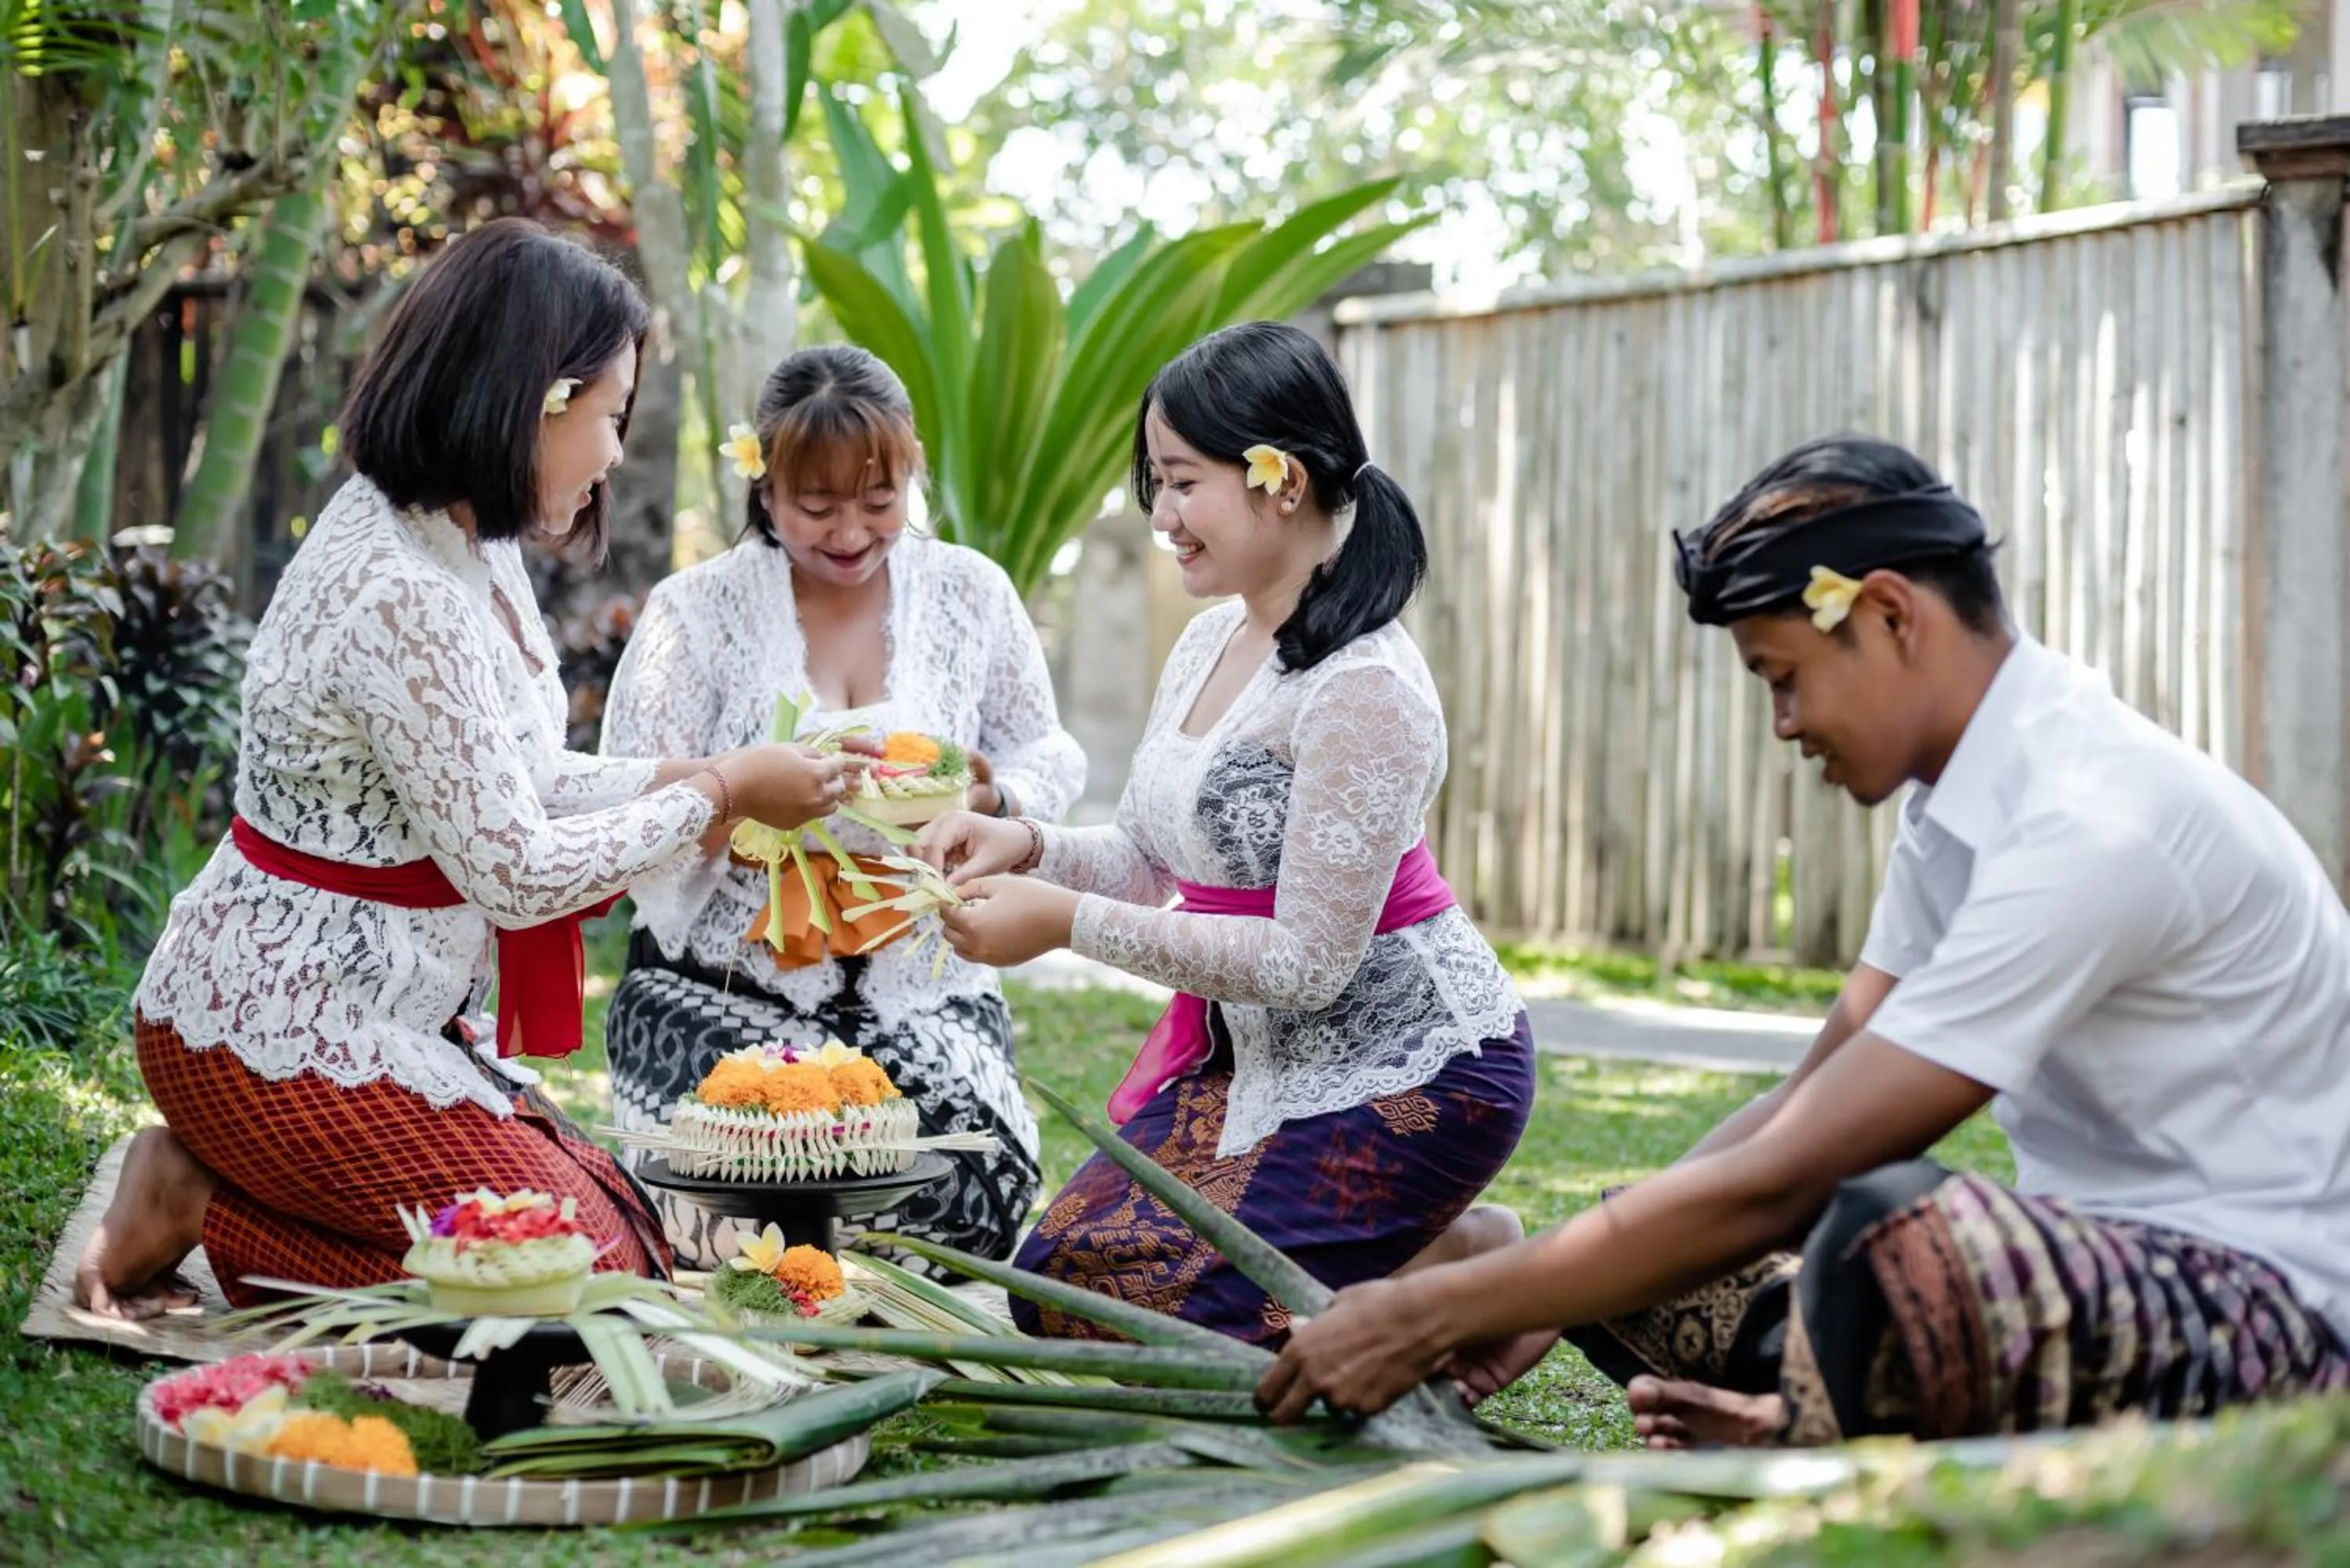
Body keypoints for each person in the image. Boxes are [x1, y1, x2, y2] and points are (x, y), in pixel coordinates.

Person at [1256, 434, 2350, 1443]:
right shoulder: (1956, 806)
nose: (1784, 725)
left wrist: (1435, 1305)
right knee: (1648, 1246)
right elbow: (1807, 1099)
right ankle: (1814, 1417)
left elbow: (1806, 1172)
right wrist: (1543, 1287)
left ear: (1887, 613)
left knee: (1895, 1234)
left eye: (1784, 677)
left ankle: (1810, 1432)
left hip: (2281, 1319)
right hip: (2095, 1280)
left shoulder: (2096, 818)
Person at [73, 219, 868, 1321]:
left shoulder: (468, 541)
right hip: (269, 1027)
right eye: (611, 416)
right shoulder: (395, 586)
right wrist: (722, 792)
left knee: (622, 1232)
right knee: (573, 1286)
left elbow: (524, 776)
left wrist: (715, 771)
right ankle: (197, 1197)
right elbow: (516, 870)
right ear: (536, 398)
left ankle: (227, 1190)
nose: (617, 454)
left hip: (387, 1011)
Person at [916, 320, 1535, 1346]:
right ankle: (1429, 1265)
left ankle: (1464, 1268)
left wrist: (1064, 921)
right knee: (1057, 1292)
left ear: (1279, 480)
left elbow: (1305, 964)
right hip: (1247, 1058)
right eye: (1155, 483)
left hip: (1413, 1071)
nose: (1160, 514)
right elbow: (1152, 861)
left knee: (1169, 1332)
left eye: (1180, 480)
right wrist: (1022, 843)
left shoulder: (1365, 686)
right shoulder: (1213, 636)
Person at [599, 343, 1084, 1268]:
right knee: (748, 1204)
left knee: (972, 1192)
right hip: (721, 986)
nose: (852, 532)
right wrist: (736, 811)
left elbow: (1047, 749)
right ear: (763, 485)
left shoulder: (970, 591)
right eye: (816, 506)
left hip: (922, 986)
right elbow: (630, 787)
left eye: (879, 500)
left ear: (913, 478)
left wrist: (990, 798)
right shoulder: (694, 611)